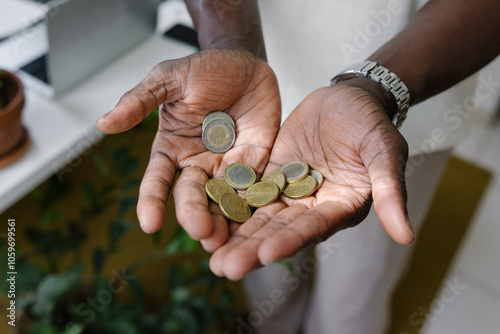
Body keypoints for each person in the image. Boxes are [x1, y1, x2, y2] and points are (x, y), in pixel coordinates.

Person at [96, 0, 500, 332]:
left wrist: (376, 89)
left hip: (414, 80)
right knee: (267, 285)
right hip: (249, 102)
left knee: (351, 303)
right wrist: (230, 44)